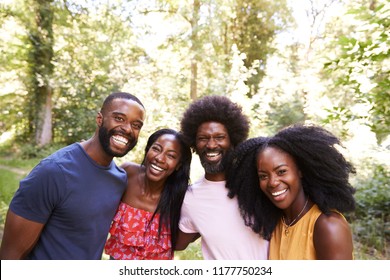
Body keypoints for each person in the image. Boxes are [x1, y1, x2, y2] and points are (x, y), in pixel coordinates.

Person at [0, 92, 146, 260]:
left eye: (136, 125)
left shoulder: (119, 179)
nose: (128, 129)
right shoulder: (54, 172)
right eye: (119, 118)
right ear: (100, 119)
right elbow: (10, 256)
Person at [226, 124, 356, 260]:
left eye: (281, 172)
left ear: (300, 171)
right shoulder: (276, 224)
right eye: (263, 176)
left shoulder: (328, 227)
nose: (272, 182)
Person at [175, 95, 269, 259]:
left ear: (233, 140)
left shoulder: (256, 182)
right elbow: (178, 243)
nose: (211, 145)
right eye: (203, 138)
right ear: (194, 144)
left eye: (219, 137)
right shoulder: (191, 198)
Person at [104, 128, 192, 260]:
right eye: (156, 149)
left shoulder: (182, 197)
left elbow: (181, 242)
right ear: (147, 150)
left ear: (178, 165)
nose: (160, 158)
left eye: (171, 156)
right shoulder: (128, 173)